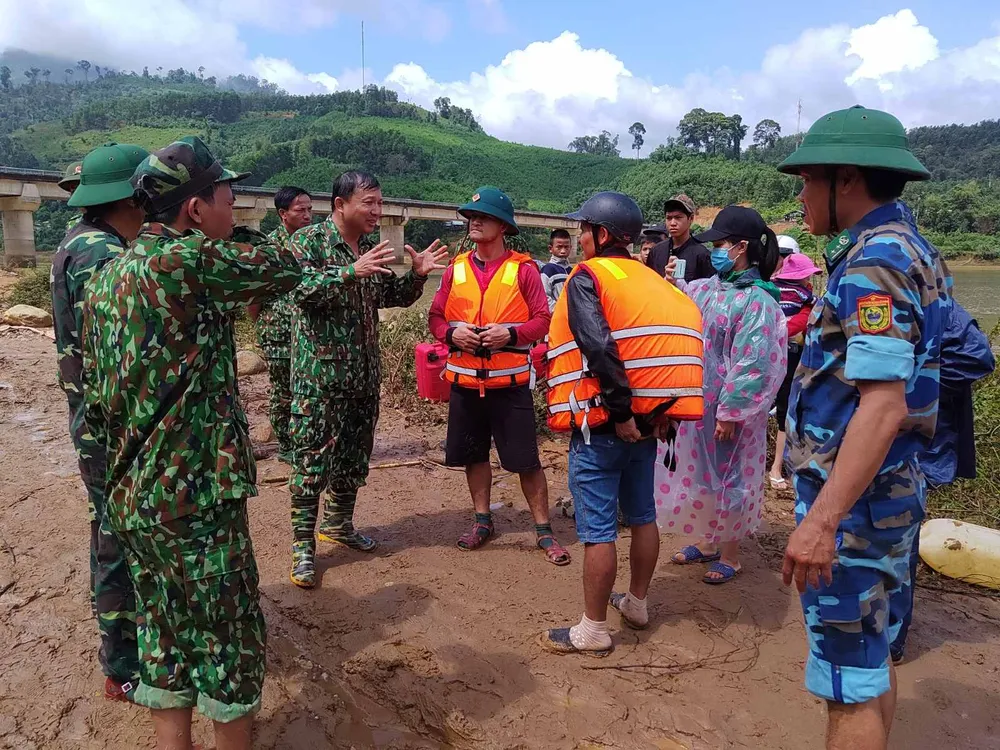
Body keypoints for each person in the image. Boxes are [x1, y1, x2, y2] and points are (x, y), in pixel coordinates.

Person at [81, 136, 302, 749]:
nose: (236, 209)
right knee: (228, 644)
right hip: (194, 498)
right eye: (230, 198)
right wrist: (248, 243)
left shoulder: (106, 278)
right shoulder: (187, 262)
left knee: (163, 640)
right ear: (196, 210)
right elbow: (283, 269)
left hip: (134, 499)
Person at [777, 106, 949, 750]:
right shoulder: (910, 249)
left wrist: (821, 521)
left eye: (806, 180)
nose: (799, 195)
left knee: (845, 684)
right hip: (888, 493)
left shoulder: (874, 264)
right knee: (871, 663)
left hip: (854, 504)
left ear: (845, 179)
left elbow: (883, 405)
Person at [539, 192, 704, 655]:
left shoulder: (587, 277)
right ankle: (636, 603)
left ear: (603, 234)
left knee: (598, 530)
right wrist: (655, 417)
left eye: (583, 228)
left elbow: (599, 347)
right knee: (644, 514)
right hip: (654, 424)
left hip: (605, 423)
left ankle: (591, 630)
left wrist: (621, 412)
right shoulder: (657, 283)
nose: (578, 237)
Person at [287, 170, 448, 588]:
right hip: (320, 377)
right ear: (341, 205)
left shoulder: (370, 249)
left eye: (380, 203)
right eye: (370, 203)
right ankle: (303, 545)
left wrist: (416, 275)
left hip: (362, 376)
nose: (378, 210)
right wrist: (346, 273)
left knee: (354, 455)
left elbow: (388, 297)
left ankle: (339, 523)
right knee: (310, 459)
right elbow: (296, 291)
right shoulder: (309, 242)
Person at [51, 142, 149, 702]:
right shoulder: (100, 255)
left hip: (95, 419)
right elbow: (128, 345)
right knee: (116, 535)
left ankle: (123, 650)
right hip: (109, 425)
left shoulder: (86, 242)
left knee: (113, 530)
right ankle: (123, 664)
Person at [428, 187, 570, 564]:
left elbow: (543, 320)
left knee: (526, 460)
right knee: (473, 456)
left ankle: (542, 530)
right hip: (464, 384)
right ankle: (482, 520)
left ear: (503, 226)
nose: (475, 221)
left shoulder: (524, 269)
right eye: (472, 216)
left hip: (510, 386)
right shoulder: (456, 268)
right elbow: (435, 318)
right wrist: (449, 334)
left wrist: (508, 334)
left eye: (484, 217)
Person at [654, 205, 787, 584]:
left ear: (741, 247)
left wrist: (731, 412)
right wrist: (671, 284)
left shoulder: (757, 302)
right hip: (700, 400)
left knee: (731, 475)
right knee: (703, 473)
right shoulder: (710, 289)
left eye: (721, 244)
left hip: (730, 409)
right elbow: (686, 301)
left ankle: (731, 553)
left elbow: (754, 364)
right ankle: (709, 540)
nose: (714, 250)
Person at [889, 297, 994, 664]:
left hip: (912, 448)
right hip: (876, 441)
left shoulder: (936, 305)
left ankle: (892, 637)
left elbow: (977, 357)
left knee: (900, 542)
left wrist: (911, 395)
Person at [248, 186, 314, 463]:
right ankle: (286, 446)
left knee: (308, 388)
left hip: (308, 330)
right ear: (283, 214)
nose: (308, 216)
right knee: (283, 390)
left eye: (310, 209)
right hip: (278, 331)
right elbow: (254, 296)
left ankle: (306, 441)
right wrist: (263, 325)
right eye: (301, 210)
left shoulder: (314, 242)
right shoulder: (269, 248)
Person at [767, 252, 822, 489]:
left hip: (769, 355)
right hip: (788, 358)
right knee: (785, 411)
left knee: (778, 409)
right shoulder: (806, 299)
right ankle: (776, 467)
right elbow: (800, 323)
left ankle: (775, 465)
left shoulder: (768, 292)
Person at [645, 194, 714, 282]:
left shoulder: (702, 255)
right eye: (669, 218)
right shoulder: (656, 251)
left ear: (691, 218)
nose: (673, 223)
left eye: (678, 217)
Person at [539, 228, 573, 312]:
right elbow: (544, 297)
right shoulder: (547, 270)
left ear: (570, 247)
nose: (563, 251)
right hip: (557, 317)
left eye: (566, 247)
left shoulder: (572, 270)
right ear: (550, 248)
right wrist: (560, 311)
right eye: (559, 247)